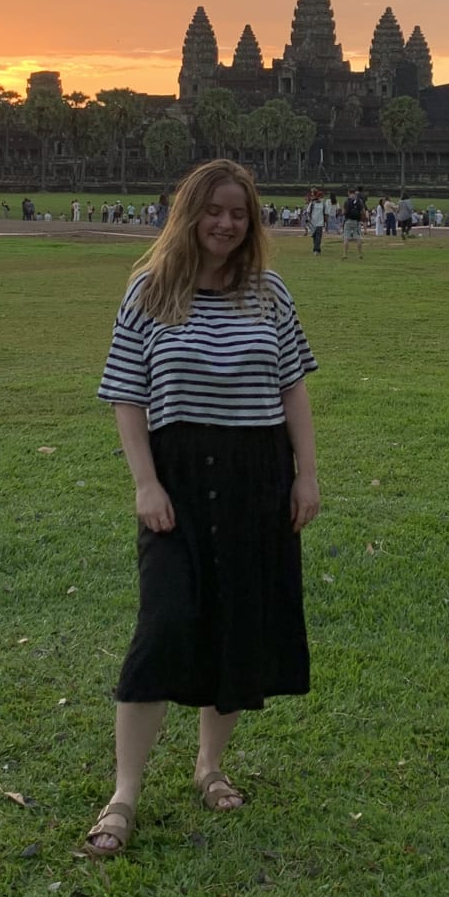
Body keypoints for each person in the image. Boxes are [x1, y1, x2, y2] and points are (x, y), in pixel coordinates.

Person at [85, 159, 320, 857]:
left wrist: (306, 476)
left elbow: (293, 388)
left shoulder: (269, 293)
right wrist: (145, 483)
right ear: (188, 214)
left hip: (257, 475)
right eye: (213, 210)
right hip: (179, 480)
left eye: (239, 213)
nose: (226, 223)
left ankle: (210, 766)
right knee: (162, 626)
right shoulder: (151, 290)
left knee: (236, 622)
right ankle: (124, 794)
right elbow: (127, 395)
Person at [341, 188, 367, 260]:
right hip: (356, 221)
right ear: (355, 193)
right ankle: (360, 254)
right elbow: (363, 211)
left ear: (348, 192)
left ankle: (345, 254)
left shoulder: (346, 200)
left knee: (346, 237)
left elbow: (343, 212)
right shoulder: (359, 201)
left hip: (348, 220)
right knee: (358, 237)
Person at [304, 191, 326, 255]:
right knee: (314, 236)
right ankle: (318, 249)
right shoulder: (312, 203)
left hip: (320, 222)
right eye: (320, 197)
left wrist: (325, 222)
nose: (321, 198)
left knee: (318, 236)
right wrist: (309, 219)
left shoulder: (323, 204)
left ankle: (315, 250)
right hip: (312, 222)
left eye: (322, 197)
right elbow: (308, 211)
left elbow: (325, 214)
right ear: (318, 197)